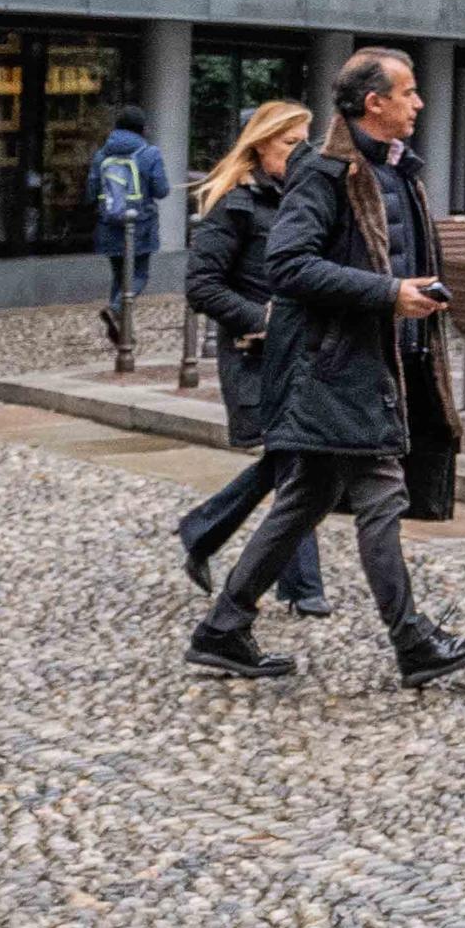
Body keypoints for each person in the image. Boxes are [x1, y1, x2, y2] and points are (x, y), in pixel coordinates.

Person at [184, 50, 465, 690]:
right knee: (381, 492)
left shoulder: (398, 171)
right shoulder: (325, 172)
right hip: (336, 366)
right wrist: (387, 295)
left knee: (305, 499)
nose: (417, 104)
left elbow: (396, 257)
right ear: (372, 103)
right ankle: (413, 642)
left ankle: (222, 629)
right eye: (407, 94)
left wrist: (419, 300)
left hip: (381, 358)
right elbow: (289, 265)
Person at [175, 101, 329, 617]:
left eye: (306, 143)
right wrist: (260, 320)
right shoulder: (235, 205)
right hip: (256, 357)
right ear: (260, 145)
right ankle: (303, 588)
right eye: (290, 144)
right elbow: (201, 285)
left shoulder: (306, 200)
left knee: (297, 463)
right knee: (299, 465)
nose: (301, 154)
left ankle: (204, 528)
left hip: (302, 355)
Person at [88, 104, 170, 346]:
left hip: (109, 223)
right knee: (139, 274)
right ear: (141, 129)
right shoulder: (149, 153)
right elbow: (162, 190)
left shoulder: (102, 154)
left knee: (119, 275)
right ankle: (116, 309)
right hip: (141, 224)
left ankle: (123, 332)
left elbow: (92, 190)